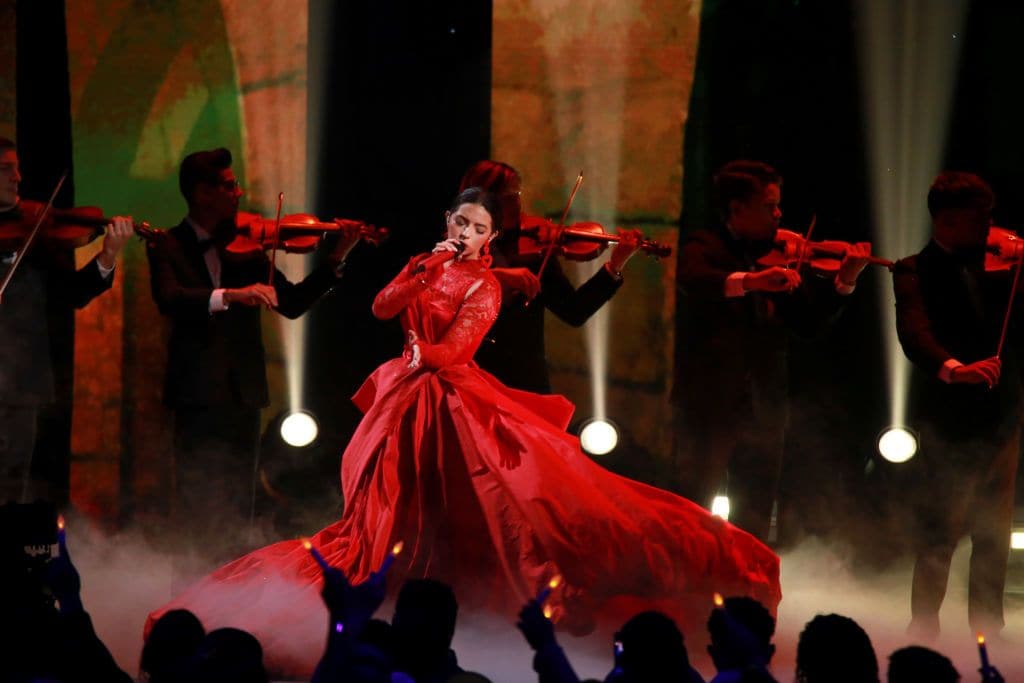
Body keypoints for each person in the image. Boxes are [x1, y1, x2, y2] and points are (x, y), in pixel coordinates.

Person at [146, 187, 780, 677]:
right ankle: (388, 597)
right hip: (404, 392)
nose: (468, 235)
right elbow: (381, 308)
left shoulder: (485, 284)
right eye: (460, 225)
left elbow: (461, 347)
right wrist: (421, 274)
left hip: (449, 393)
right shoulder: (426, 263)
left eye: (479, 229)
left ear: (491, 237)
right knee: (381, 514)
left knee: (495, 502)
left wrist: (423, 357)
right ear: (447, 226)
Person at [146, 147, 360, 584]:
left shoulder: (248, 247)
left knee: (241, 499)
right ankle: (189, 586)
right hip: (196, 393)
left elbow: (293, 303)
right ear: (201, 194)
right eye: (227, 185)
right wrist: (231, 296)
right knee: (197, 495)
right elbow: (170, 299)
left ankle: (231, 586)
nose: (238, 192)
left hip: (243, 392)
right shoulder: (167, 243)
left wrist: (336, 258)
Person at [673, 160, 871, 540]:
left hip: (765, 408)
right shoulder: (705, 246)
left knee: (756, 513)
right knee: (691, 506)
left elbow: (809, 325)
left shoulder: (781, 257)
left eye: (779, 205)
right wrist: (752, 281)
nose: (779, 215)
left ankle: (747, 591)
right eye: (770, 206)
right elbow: (694, 279)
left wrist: (844, 281)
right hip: (708, 405)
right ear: (737, 209)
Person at [892, 171, 1021, 639]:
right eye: (978, 221)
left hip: (1002, 418)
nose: (990, 229)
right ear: (945, 223)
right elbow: (915, 334)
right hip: (948, 420)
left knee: (994, 531)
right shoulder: (911, 270)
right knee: (939, 529)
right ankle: (923, 624)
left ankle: (987, 627)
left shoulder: (1003, 264)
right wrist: (953, 368)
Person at [0, 136, 133, 503]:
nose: (17, 178)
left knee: (11, 486)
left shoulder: (38, 230)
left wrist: (107, 255)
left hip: (18, 386)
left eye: (17, 167)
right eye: (5, 169)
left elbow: (73, 293)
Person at [458, 160, 642, 394]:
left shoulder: (534, 253)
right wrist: (497, 276)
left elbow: (574, 310)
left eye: (518, 193)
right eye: (507, 196)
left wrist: (616, 264)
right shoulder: (456, 247)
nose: (517, 203)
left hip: (524, 381)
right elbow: (450, 290)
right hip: (471, 377)